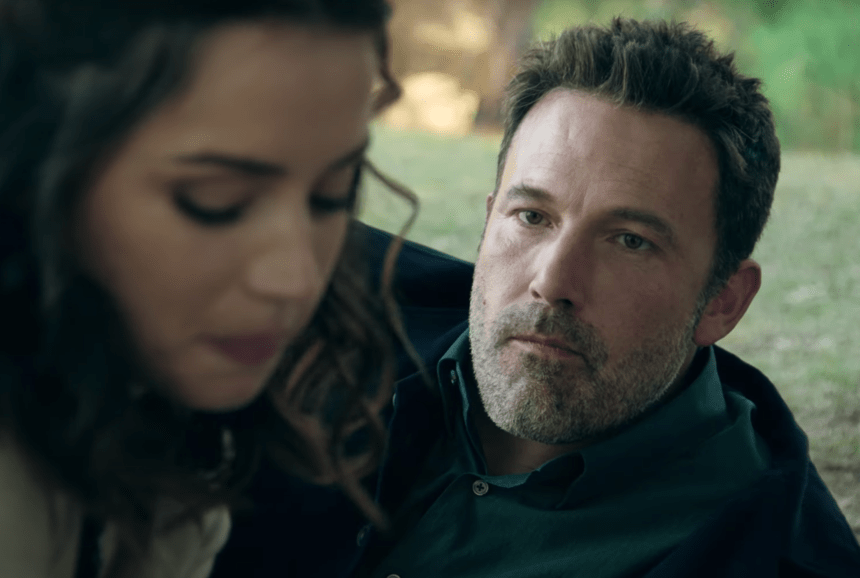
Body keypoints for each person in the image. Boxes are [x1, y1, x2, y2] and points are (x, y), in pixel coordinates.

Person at [212, 18, 860, 578]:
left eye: (629, 241)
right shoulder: (308, 311)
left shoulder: (762, 553)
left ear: (723, 301)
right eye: (532, 217)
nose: (553, 282)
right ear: (489, 217)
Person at [0, 1, 416, 577]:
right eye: (214, 201)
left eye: (333, 195)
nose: (296, 280)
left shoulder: (139, 386)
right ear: (21, 171)